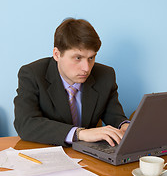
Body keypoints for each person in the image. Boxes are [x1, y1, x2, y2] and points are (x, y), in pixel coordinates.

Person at [14, 18, 129, 147]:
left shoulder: (105, 75)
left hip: (88, 158)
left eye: (91, 58)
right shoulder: (32, 74)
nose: (86, 68)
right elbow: (26, 124)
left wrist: (124, 126)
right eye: (78, 58)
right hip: (47, 154)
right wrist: (80, 133)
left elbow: (114, 116)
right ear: (57, 54)